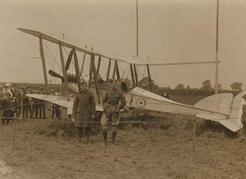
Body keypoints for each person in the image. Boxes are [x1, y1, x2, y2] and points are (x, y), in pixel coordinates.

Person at [101, 81, 126, 145]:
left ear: (118, 85)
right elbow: (103, 101)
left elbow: (123, 103)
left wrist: (118, 107)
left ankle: (112, 141)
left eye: (116, 84)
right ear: (111, 85)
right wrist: (105, 107)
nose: (114, 86)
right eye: (113, 84)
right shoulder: (108, 91)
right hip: (107, 110)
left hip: (115, 110)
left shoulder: (120, 93)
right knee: (104, 125)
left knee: (114, 126)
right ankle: (105, 141)